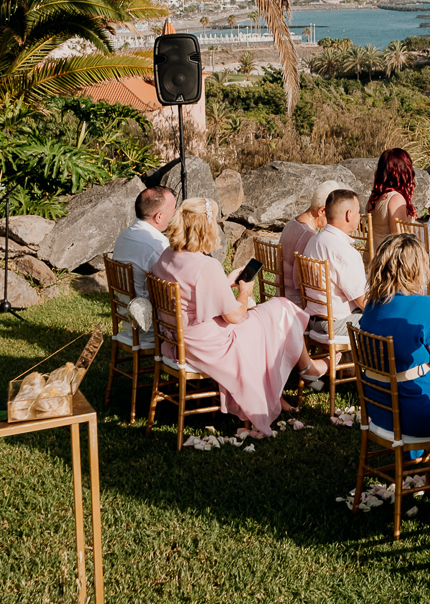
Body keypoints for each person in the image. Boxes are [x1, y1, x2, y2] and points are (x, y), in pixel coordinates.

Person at [148, 198, 327, 432]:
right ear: (206, 227)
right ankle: (301, 374)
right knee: (281, 309)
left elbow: (190, 295)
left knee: (276, 312)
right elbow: (235, 316)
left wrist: (225, 282)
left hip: (179, 340)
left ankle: (278, 392)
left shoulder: (166, 256)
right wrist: (244, 290)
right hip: (212, 345)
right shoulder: (205, 265)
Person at [357, 234, 430, 437]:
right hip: (419, 412)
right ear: (418, 268)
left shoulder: (372, 306)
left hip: (379, 409)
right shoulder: (425, 307)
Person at [300, 187, 369, 338]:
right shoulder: (344, 251)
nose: (359, 216)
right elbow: (364, 302)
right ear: (349, 215)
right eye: (358, 212)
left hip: (312, 320)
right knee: (392, 322)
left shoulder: (314, 241)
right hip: (337, 324)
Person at [278, 181, 339, 310]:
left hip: (281, 292)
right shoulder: (308, 235)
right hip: (296, 302)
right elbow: (302, 281)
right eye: (332, 214)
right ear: (322, 211)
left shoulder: (294, 222)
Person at [110, 185, 175, 302]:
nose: (174, 214)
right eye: (173, 210)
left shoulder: (124, 236)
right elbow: (173, 286)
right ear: (159, 217)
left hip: (125, 309)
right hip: (149, 316)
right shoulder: (159, 245)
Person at [366, 148, 417, 245]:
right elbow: (400, 239)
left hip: (373, 255)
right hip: (388, 258)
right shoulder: (395, 199)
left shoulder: (376, 196)